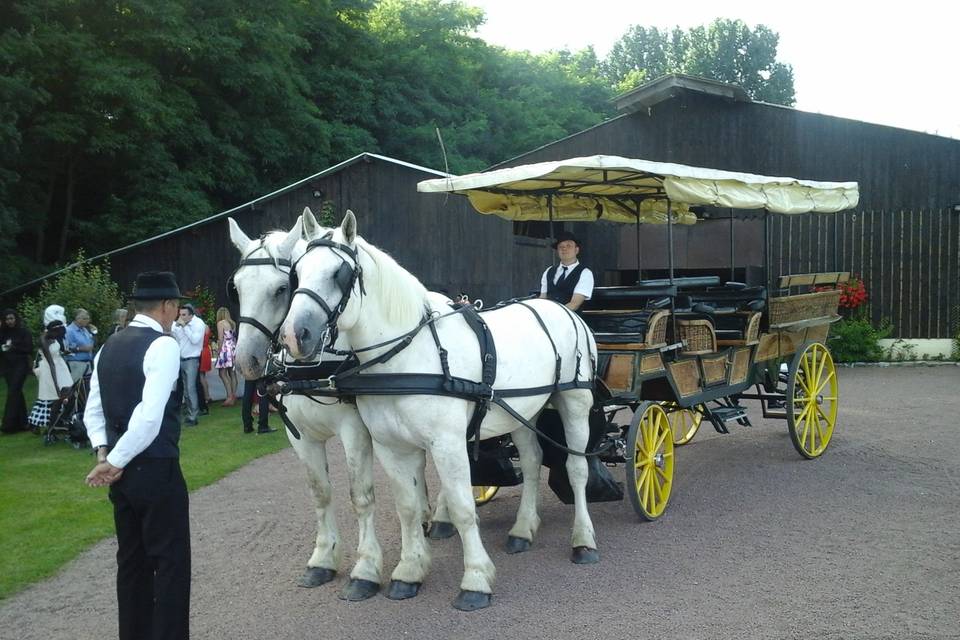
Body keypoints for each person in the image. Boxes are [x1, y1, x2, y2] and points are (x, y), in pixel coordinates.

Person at [83, 271, 191, 640]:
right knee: (171, 562)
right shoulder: (163, 346)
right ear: (167, 306)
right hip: (155, 466)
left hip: (121, 472)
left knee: (131, 562)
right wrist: (115, 460)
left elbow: (92, 411)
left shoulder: (108, 345)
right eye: (176, 307)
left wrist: (105, 453)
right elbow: (149, 417)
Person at [27, 305, 73, 433]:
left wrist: (65, 352)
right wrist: (56, 385)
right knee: (55, 398)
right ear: (52, 331)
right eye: (58, 333)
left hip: (60, 366)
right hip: (50, 370)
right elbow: (51, 363)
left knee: (69, 393)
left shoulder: (54, 337)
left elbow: (57, 352)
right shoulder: (43, 340)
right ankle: (50, 428)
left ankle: (61, 420)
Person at [539, 230, 595, 311]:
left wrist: (554, 315)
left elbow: (574, 304)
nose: (564, 249)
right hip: (548, 319)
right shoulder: (548, 271)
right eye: (560, 247)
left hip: (571, 320)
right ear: (557, 251)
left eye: (568, 246)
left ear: (576, 250)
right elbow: (543, 299)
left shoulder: (585, 273)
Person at [171, 304, 205, 426]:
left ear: (191, 315)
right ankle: (190, 413)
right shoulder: (180, 324)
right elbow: (174, 334)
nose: (181, 317)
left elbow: (195, 340)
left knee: (191, 388)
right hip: (181, 359)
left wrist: (185, 327)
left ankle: (194, 416)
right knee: (186, 389)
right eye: (180, 314)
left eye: (184, 315)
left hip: (192, 359)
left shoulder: (198, 324)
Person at [1, 309, 33, 434]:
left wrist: (13, 347)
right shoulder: (2, 333)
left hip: (20, 365)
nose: (9, 321)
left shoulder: (23, 332)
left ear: (16, 319)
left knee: (13, 392)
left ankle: (8, 424)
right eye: (7, 319)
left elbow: (28, 348)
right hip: (7, 366)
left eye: (11, 318)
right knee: (16, 393)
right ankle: (22, 423)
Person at [64, 308, 97, 383]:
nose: (88, 321)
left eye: (88, 318)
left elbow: (91, 344)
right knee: (75, 387)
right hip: (76, 364)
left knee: (86, 388)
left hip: (87, 363)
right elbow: (66, 349)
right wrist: (80, 349)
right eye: (85, 319)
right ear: (77, 319)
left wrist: (94, 334)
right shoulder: (69, 331)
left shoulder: (85, 330)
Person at [214, 307, 238, 406]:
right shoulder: (233, 324)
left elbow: (220, 338)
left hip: (225, 349)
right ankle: (233, 395)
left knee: (222, 373)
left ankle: (229, 396)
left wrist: (219, 350)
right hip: (232, 348)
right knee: (232, 374)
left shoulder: (221, 323)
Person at [197, 324, 212, 415]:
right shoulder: (206, 326)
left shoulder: (199, 327)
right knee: (203, 375)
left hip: (202, 350)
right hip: (207, 350)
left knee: (201, 376)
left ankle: (206, 396)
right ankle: (207, 395)